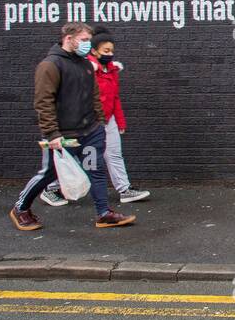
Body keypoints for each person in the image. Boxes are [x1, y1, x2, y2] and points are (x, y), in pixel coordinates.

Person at [10, 22, 136, 230]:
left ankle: (103, 213)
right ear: (69, 39)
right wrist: (52, 133)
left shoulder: (86, 65)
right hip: (63, 136)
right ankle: (21, 208)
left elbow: (94, 95)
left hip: (89, 131)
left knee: (94, 169)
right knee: (50, 173)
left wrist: (99, 123)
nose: (88, 44)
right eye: (84, 40)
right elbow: (44, 102)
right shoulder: (50, 66)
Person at [41, 27, 150, 206]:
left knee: (112, 155)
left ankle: (123, 190)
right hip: (84, 122)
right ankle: (50, 188)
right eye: (106, 51)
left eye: (112, 51)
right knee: (67, 156)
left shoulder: (112, 71)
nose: (110, 54)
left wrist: (118, 121)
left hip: (105, 120)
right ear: (94, 50)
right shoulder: (84, 68)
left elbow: (114, 98)